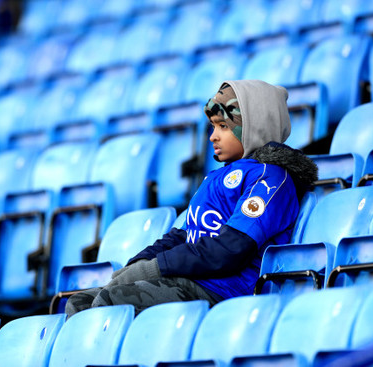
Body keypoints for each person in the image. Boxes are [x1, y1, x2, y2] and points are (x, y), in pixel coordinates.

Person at [65, 79, 318, 317]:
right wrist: (138, 263)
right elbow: (183, 235)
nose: (213, 136)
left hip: (224, 292)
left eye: (224, 126)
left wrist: (155, 268)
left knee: (111, 304)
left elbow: (230, 249)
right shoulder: (216, 178)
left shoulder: (270, 178)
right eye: (213, 126)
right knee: (79, 304)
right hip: (190, 282)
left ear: (254, 127)